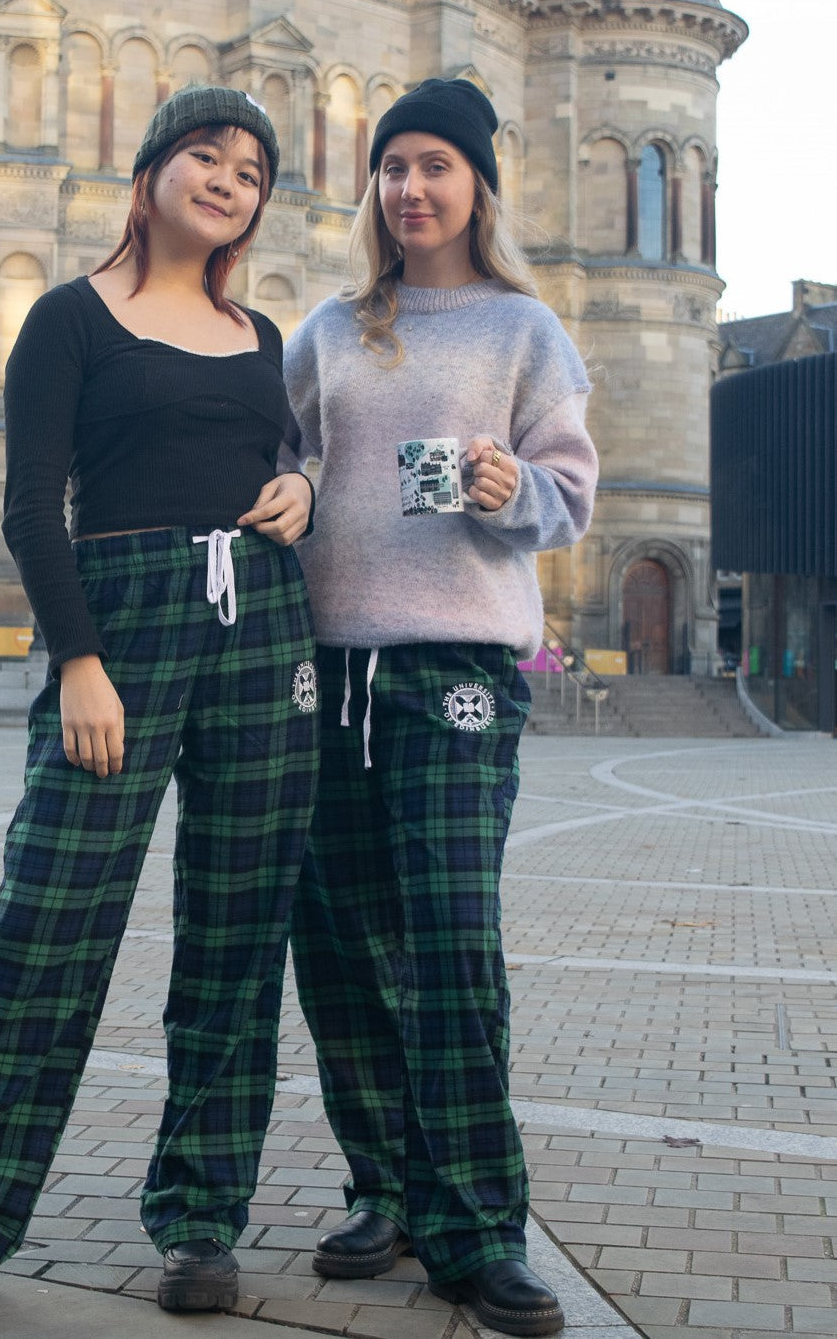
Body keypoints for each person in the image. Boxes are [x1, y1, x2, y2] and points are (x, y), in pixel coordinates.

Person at [0, 85, 319, 1336]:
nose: (228, 178)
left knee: (235, 941)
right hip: (116, 625)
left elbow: (269, 463)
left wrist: (296, 488)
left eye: (250, 169)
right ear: (151, 172)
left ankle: (197, 1221)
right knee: (45, 930)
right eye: (205, 155)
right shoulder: (69, 318)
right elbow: (32, 506)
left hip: (259, 626)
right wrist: (78, 659)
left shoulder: (261, 332)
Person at [281, 78, 598, 1338]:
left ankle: (477, 1228)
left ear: (477, 185)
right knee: (342, 951)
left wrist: (512, 482)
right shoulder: (326, 327)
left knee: (452, 945)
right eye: (392, 168)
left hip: (453, 671)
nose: (410, 189)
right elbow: (291, 462)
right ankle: (388, 1190)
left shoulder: (526, 331)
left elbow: (569, 499)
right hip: (325, 673)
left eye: (435, 167)